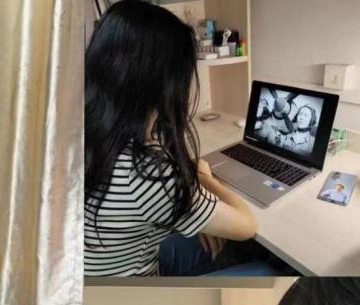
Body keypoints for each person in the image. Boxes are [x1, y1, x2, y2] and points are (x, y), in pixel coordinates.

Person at [85, 1, 283, 278]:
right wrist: (205, 180)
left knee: (214, 241)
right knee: (264, 271)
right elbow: (247, 226)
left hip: (111, 268)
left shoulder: (84, 135)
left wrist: (192, 210)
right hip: (138, 286)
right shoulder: (149, 175)